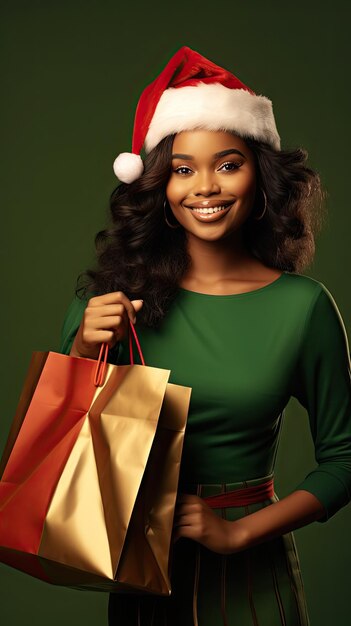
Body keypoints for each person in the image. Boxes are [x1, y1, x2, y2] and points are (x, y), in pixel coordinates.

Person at [59, 46, 351, 625]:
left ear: (259, 175)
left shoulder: (303, 307)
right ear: (160, 187)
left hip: (254, 584)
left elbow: (345, 458)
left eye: (227, 163)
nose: (205, 187)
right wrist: (84, 351)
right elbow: (59, 447)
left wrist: (241, 532)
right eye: (183, 169)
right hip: (141, 572)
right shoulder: (110, 303)